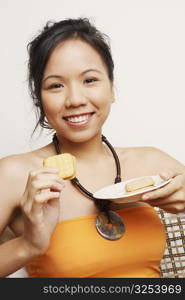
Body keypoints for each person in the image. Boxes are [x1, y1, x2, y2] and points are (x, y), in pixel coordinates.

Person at [0, 18, 185, 278]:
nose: (75, 99)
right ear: (39, 98)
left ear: (112, 87)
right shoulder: (15, 174)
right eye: (56, 85)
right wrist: (28, 245)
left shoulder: (152, 163)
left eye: (89, 80)